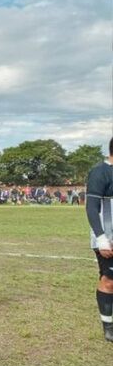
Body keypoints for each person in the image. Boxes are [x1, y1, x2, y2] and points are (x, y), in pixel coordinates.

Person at [85, 137, 113, 343]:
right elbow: (92, 207)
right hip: (109, 237)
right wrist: (101, 238)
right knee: (109, 280)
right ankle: (108, 326)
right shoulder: (99, 172)